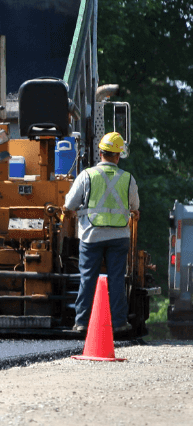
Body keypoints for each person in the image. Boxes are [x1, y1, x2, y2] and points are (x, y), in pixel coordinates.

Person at [63, 131, 140, 334]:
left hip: (91, 235)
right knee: (116, 280)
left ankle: (81, 323)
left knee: (87, 278)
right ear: (118, 155)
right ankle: (119, 323)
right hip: (119, 236)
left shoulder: (86, 175)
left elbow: (69, 204)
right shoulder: (128, 179)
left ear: (100, 153)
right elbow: (135, 205)